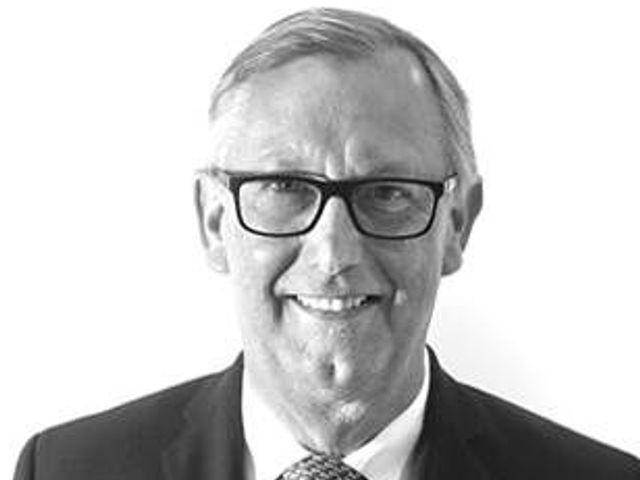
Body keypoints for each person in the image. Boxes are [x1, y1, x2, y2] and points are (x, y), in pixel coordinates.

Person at [13, 7, 639, 480]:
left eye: (387, 192)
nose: (334, 254)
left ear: (456, 224)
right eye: (285, 187)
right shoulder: (68, 470)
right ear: (213, 221)